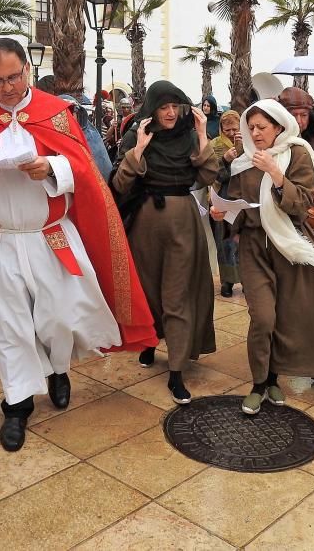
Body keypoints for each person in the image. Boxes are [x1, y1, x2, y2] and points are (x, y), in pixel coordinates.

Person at [0, 38, 157, 452]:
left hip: (51, 236)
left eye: (13, 77)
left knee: (58, 316)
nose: (5, 88)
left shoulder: (56, 113)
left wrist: (52, 167)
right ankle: (17, 405)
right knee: (10, 326)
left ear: (27, 70)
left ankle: (58, 370)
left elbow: (84, 169)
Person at [211, 100, 314, 415]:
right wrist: (222, 213)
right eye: (251, 128)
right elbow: (237, 206)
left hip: (290, 245)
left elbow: (301, 205)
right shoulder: (243, 162)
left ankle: (275, 376)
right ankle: (260, 383)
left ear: (278, 126)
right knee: (263, 317)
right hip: (254, 247)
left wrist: (275, 173)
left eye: (262, 127)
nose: (255, 133)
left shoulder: (298, 154)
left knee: (288, 315)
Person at [112, 80, 218, 405]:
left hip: (183, 221)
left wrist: (202, 136)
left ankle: (176, 370)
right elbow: (118, 183)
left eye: (176, 106)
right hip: (145, 222)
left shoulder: (189, 135)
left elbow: (208, 176)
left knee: (177, 293)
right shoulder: (136, 134)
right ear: (153, 109)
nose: (171, 112)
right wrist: (139, 148)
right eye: (164, 106)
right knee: (149, 289)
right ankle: (149, 341)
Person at [211, 110, 242, 297]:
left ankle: (246, 277)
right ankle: (227, 281)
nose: (231, 133)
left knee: (243, 241)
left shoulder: (248, 143)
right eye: (227, 129)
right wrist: (225, 159)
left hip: (242, 197)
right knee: (224, 242)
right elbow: (212, 173)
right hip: (222, 197)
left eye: (235, 129)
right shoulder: (214, 145)